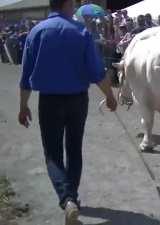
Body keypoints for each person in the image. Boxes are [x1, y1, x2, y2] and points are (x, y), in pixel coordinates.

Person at [18, 1, 117, 225]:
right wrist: (110, 96)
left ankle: (67, 199)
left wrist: (23, 106)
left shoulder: (37, 31)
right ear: (67, 5)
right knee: (74, 149)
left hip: (49, 101)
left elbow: (26, 75)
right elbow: (96, 72)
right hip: (77, 100)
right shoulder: (81, 31)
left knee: (52, 153)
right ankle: (71, 197)